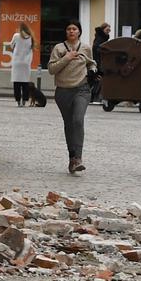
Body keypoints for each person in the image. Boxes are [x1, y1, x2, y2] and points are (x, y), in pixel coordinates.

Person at [48, 21, 96, 173]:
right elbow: (51, 69)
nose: (71, 31)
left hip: (82, 90)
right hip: (63, 91)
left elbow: (91, 63)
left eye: (74, 29)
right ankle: (72, 158)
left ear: (79, 32)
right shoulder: (59, 48)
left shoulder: (86, 48)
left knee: (78, 120)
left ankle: (79, 158)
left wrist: (93, 71)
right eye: (68, 29)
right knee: (69, 124)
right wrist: (66, 58)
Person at [8, 23, 36, 107]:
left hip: (17, 62)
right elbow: (31, 49)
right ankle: (24, 100)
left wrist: (15, 48)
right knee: (25, 83)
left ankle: (18, 101)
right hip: (26, 62)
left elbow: (11, 45)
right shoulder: (31, 37)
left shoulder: (16, 36)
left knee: (16, 83)